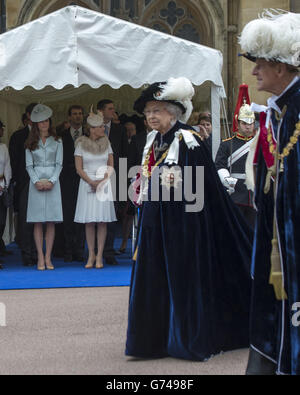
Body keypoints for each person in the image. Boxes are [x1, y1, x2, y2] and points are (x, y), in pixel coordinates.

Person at [125, 77, 253, 361]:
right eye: (148, 111)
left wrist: (184, 225)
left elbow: (199, 192)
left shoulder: (189, 140)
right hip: (154, 222)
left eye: (157, 110)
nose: (150, 116)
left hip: (182, 226)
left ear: (173, 111)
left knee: (181, 280)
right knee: (153, 278)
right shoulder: (153, 140)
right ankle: (151, 339)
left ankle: (184, 338)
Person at [239, 11, 300, 375]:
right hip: (281, 243)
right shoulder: (281, 112)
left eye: (260, 63)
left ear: (281, 67)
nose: (254, 71)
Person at [74, 107, 117, 269]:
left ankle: (100, 255)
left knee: (102, 221)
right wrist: (91, 182)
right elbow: (79, 168)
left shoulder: (107, 144)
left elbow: (111, 166)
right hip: (87, 183)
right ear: (92, 129)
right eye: (100, 127)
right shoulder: (81, 145)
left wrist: (101, 181)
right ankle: (91, 253)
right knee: (89, 221)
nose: (103, 128)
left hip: (103, 184)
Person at [25, 104, 63, 271]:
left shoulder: (58, 140)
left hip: (53, 183)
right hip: (36, 184)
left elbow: (59, 163)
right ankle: (40, 256)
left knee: (51, 221)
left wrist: (52, 180)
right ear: (35, 124)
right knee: (38, 222)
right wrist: (36, 182)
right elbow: (28, 166)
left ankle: (49, 257)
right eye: (40, 121)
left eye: (46, 120)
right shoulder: (30, 142)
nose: (44, 124)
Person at [215, 84, 256, 229]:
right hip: (235, 193)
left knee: (253, 233)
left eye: (251, 123)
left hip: (254, 195)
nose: (248, 126)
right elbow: (219, 165)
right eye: (245, 123)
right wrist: (226, 178)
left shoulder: (259, 143)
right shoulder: (227, 144)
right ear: (238, 123)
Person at [97, 99, 129, 265]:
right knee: (93, 214)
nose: (113, 111)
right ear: (100, 111)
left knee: (110, 216)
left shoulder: (119, 129)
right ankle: (93, 250)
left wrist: (123, 182)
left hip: (114, 178)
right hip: (93, 178)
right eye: (110, 109)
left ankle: (108, 251)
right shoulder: (91, 129)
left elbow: (124, 155)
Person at [9, 103, 38, 267]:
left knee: (39, 221)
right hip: (25, 183)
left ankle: (36, 252)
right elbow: (14, 161)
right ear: (28, 115)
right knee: (26, 221)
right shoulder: (18, 135)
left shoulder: (46, 136)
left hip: (42, 184)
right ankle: (27, 253)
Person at [58, 105, 85, 262]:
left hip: (83, 181)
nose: (77, 117)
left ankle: (79, 251)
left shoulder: (88, 135)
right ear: (69, 117)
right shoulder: (61, 136)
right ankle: (67, 250)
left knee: (81, 216)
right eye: (74, 114)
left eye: (80, 114)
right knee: (67, 217)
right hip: (66, 182)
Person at [0, 120, 12, 268]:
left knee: (1, 222)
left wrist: (5, 185)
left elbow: (7, 166)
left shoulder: (3, 147)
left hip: (2, 188)